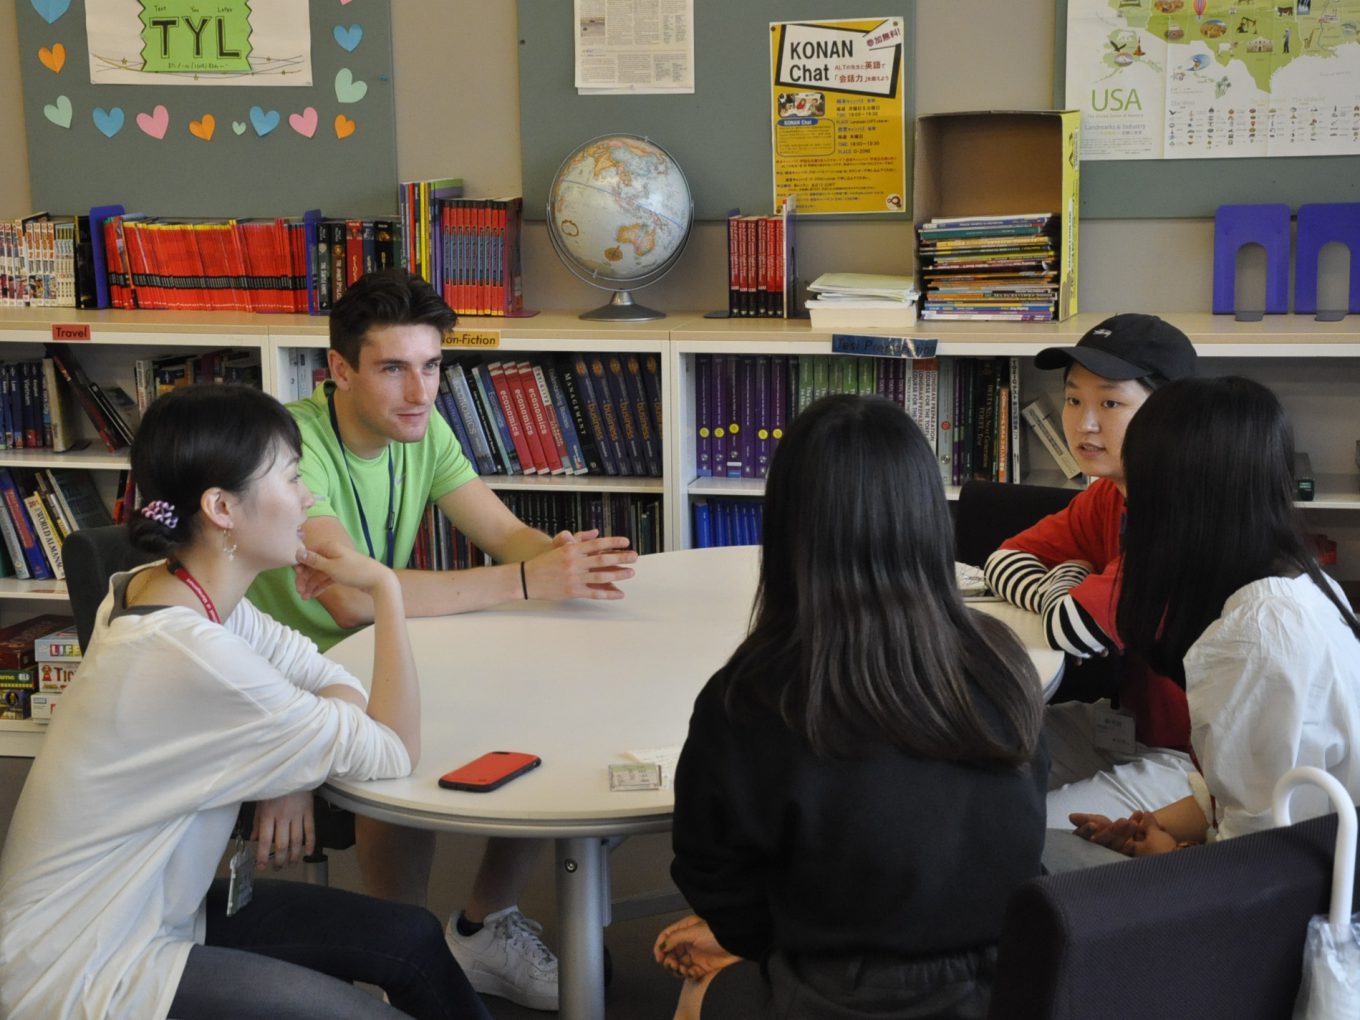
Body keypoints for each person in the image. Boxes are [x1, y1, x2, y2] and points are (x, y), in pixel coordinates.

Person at [0, 385, 489, 1020]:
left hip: (156, 908)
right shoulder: (193, 654)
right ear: (221, 507)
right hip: (90, 967)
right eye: (292, 476)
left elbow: (326, 674)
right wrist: (385, 590)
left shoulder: (168, 590)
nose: (309, 497)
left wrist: (287, 761)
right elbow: (393, 749)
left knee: (413, 939)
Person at [247, 267, 638, 1011]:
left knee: (542, 696)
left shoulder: (422, 429)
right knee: (397, 739)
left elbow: (501, 532)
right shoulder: (291, 445)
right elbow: (351, 600)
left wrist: (559, 556)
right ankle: (399, 956)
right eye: (393, 369)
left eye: (431, 367)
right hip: (297, 669)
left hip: (379, 647)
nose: (421, 392)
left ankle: (480, 926)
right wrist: (528, 582)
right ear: (339, 370)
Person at [653, 394, 1048, 1019]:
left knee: (697, 990)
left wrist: (775, 947)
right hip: (1019, 982)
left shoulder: (752, 695)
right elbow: (1012, 830)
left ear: (786, 528)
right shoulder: (1001, 662)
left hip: (845, 991)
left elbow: (712, 873)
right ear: (926, 517)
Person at [1070, 376, 1360, 860]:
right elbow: (1251, 793)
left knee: (1038, 855)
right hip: (1284, 862)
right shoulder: (1299, 586)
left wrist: (1161, 853)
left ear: (1177, 500)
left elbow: (1260, 864)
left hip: (1289, 899)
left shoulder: (1256, 637)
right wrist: (1154, 825)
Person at [982, 313, 1201, 830]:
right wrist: (1068, 581)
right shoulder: (1109, 493)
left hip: (1191, 763)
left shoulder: (1183, 511)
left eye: (1111, 403)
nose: (1083, 423)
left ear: (1171, 414)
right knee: (970, 754)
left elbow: (1070, 628)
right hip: (1125, 725)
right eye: (1075, 398)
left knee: (1011, 828)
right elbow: (1003, 561)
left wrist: (1066, 584)